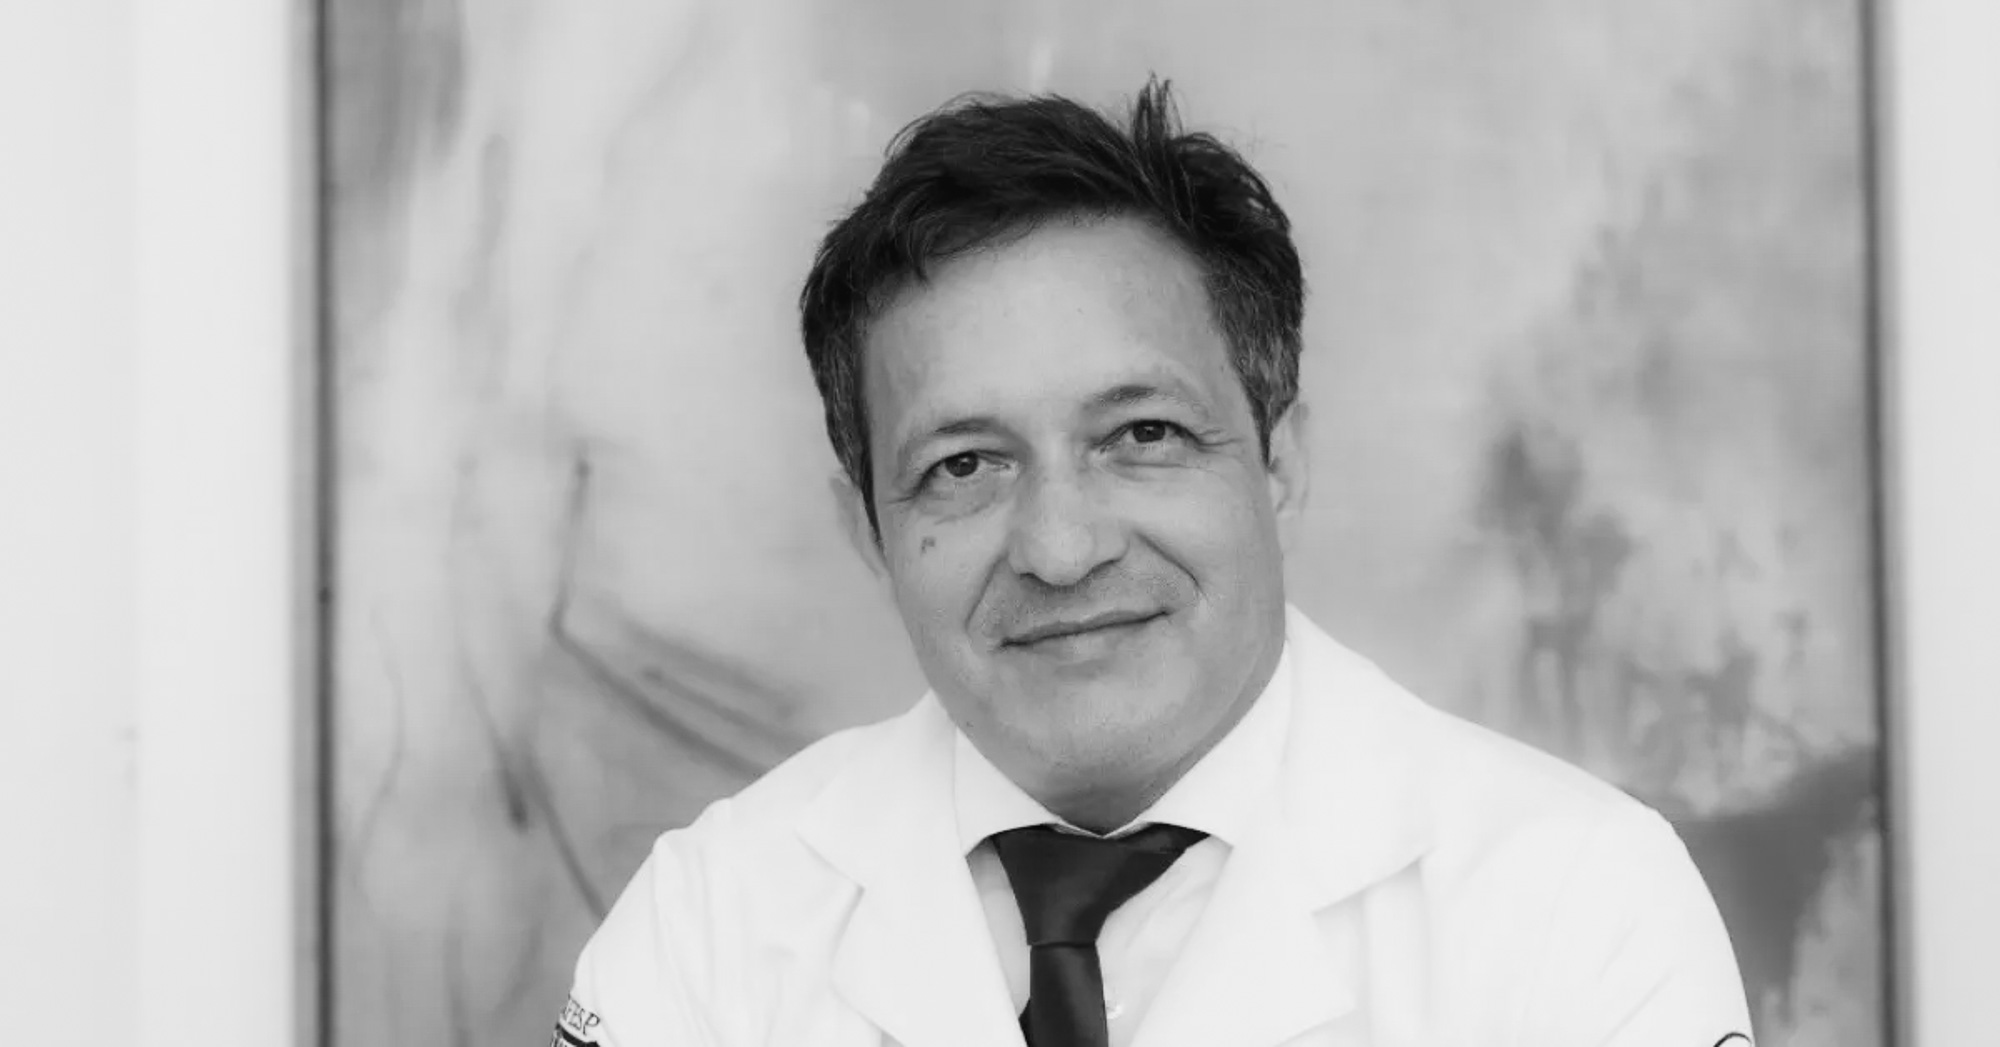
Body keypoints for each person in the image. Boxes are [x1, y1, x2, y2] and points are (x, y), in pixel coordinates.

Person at [555, 80, 1752, 1047]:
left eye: (1141, 437)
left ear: (1278, 462)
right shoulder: (710, 923)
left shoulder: (1575, 905)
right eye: (964, 465)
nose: (1061, 547)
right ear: (868, 530)